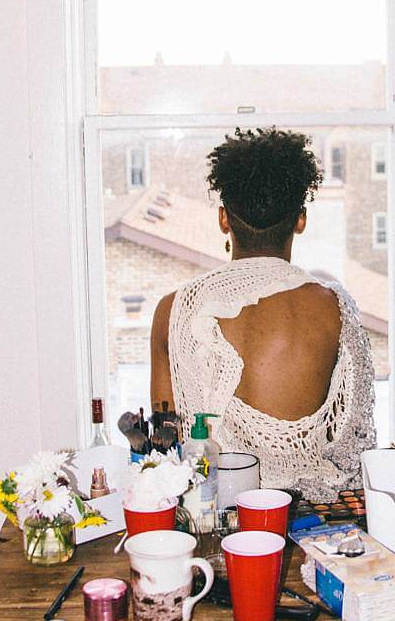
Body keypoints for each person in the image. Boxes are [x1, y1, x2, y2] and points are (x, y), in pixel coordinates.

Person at [151, 127, 376, 502]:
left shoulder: (172, 310)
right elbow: (351, 441)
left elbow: (163, 445)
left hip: (210, 522)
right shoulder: (333, 308)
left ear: (224, 219)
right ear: (300, 220)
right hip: (308, 523)